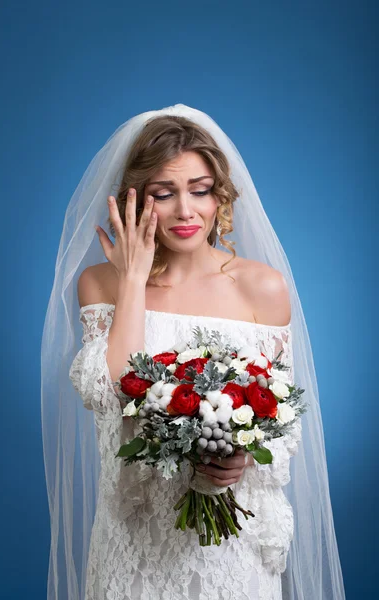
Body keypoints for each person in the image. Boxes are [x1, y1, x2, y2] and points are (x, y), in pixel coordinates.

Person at [41, 104, 346, 600]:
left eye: (200, 190)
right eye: (164, 194)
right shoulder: (102, 283)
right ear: (136, 201)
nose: (186, 211)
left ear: (219, 196)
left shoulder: (261, 288)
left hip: (232, 544)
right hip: (135, 538)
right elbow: (106, 391)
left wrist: (241, 459)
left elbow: (284, 422)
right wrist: (134, 281)